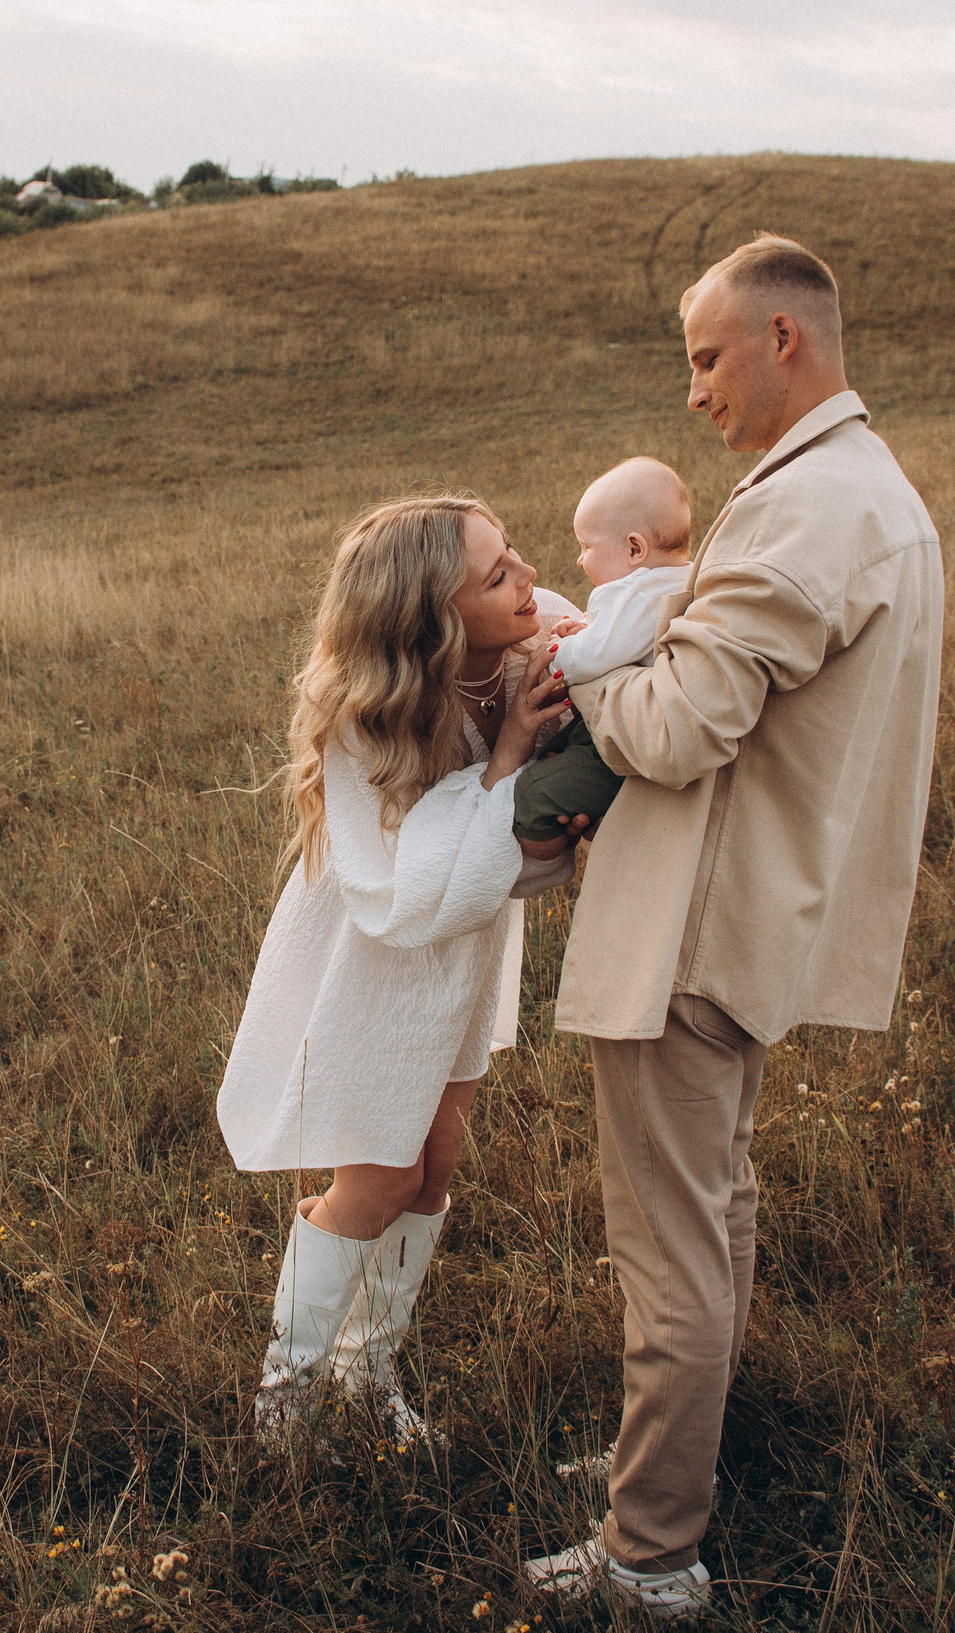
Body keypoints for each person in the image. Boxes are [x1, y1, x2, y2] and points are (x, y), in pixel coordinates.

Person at [523, 236, 944, 1615]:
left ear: (784, 340)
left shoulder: (808, 508)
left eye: (707, 357)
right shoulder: (856, 490)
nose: (694, 390)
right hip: (751, 907)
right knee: (711, 1218)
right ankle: (668, 1468)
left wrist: (585, 676)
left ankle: (652, 1558)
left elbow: (683, 725)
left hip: (692, 928)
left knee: (673, 1246)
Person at [216, 495, 578, 1445]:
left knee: (438, 1162)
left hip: (457, 968)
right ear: (435, 626)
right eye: (497, 577)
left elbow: (617, 625)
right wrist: (504, 763)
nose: (530, 576)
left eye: (514, 558)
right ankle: (284, 1401)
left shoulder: (522, 654)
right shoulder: (367, 721)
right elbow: (405, 887)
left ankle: (367, 1371)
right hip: (374, 970)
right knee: (378, 1178)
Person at [511, 457, 694, 855]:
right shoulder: (682, 579)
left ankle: (544, 839)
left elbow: (591, 659)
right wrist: (588, 632)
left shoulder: (640, 593)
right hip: (634, 720)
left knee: (531, 790)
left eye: (587, 547)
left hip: (628, 735)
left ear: (634, 548)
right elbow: (618, 644)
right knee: (559, 752)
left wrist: (557, 655)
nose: (579, 559)